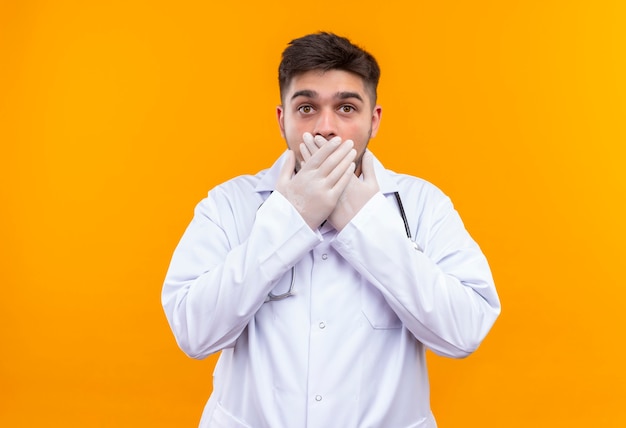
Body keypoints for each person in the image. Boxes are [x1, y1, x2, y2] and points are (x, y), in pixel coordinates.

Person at [162, 32, 500, 428]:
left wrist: (364, 224)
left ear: (373, 120)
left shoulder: (423, 205)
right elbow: (192, 330)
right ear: (281, 119)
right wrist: (292, 218)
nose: (326, 127)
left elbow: (464, 331)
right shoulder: (229, 204)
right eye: (306, 107)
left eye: (346, 108)